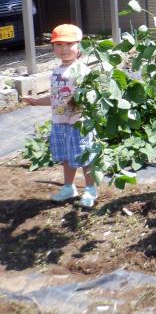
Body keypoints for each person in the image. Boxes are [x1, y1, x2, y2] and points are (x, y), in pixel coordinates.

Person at [23, 24, 98, 208]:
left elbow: (91, 96)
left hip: (79, 122)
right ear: (53, 48)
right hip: (60, 122)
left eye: (68, 44)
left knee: (85, 156)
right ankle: (69, 187)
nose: (63, 49)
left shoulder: (82, 70)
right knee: (66, 156)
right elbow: (55, 97)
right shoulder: (55, 72)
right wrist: (35, 101)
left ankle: (90, 189)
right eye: (58, 45)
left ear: (79, 46)